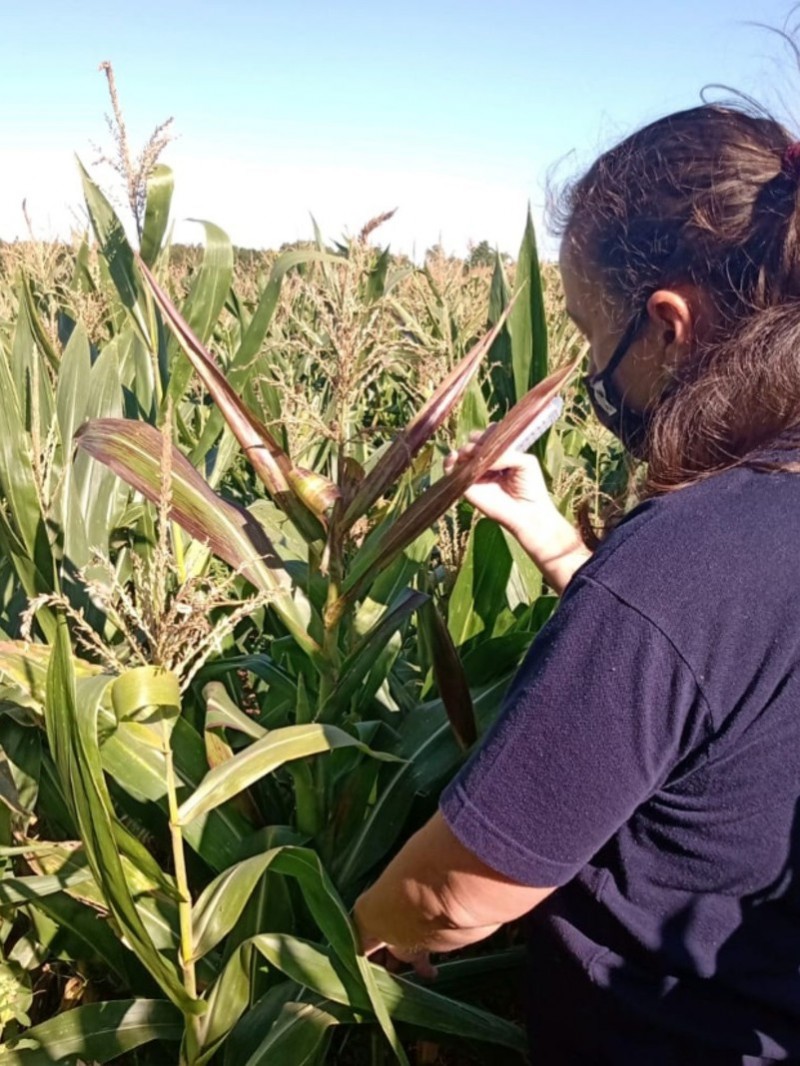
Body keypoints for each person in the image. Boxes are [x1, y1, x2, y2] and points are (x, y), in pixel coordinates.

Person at [354, 101, 800, 1064]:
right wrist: (565, 551)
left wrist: (321, 945)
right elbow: (733, 696)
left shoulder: (685, 563)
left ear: (671, 326)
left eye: (595, 338)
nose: (597, 376)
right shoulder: (744, 538)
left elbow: (453, 896)